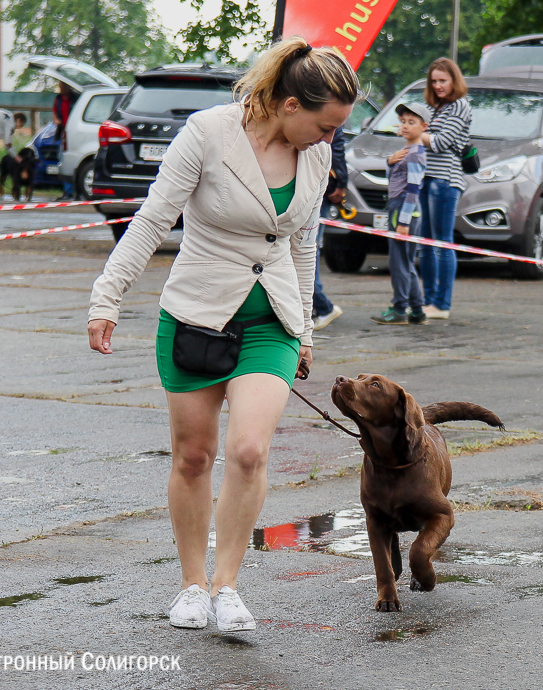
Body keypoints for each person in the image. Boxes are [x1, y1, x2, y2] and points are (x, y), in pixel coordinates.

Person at [87, 38, 358, 633]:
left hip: (272, 324)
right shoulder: (208, 134)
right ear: (290, 105)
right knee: (193, 457)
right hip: (197, 316)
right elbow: (154, 219)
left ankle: (228, 584)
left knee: (248, 450)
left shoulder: (315, 155)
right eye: (325, 125)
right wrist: (106, 299)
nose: (329, 139)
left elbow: (302, 242)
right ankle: (191, 584)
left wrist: (305, 327)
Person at [409, 58, 470, 320]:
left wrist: (412, 132)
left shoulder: (459, 106)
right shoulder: (436, 108)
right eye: (434, 81)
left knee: (443, 243)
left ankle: (442, 304)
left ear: (454, 81)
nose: (438, 86)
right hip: (426, 178)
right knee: (426, 243)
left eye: (443, 81)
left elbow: (442, 142)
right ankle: (430, 300)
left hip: (445, 179)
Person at [372, 102, 429, 325]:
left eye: (411, 122)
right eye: (403, 121)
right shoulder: (406, 152)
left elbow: (413, 191)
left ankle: (399, 308)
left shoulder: (415, 155)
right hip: (399, 207)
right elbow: (395, 179)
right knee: (404, 260)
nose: (405, 126)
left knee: (399, 262)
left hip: (405, 210)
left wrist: (404, 220)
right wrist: (389, 162)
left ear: (424, 127)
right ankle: (417, 309)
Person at [312, 126, 346, 330]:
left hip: (319, 191)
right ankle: (319, 307)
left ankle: (323, 307)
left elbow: (337, 152)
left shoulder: (328, 120)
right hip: (316, 190)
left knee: (307, 250)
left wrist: (341, 182)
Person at [53, 82, 78, 201]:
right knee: (63, 160)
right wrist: (56, 120)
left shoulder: (76, 98)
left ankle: (76, 190)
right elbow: (54, 113)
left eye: (63, 87)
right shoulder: (58, 99)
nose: (62, 89)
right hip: (63, 132)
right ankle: (67, 190)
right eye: (60, 87)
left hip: (74, 131)